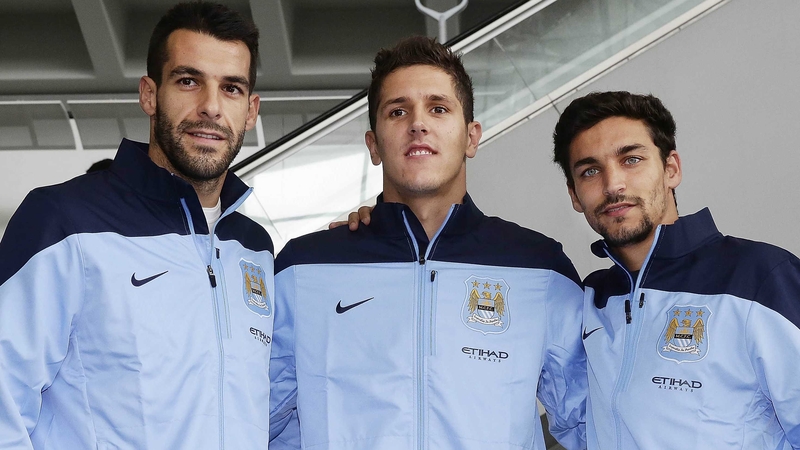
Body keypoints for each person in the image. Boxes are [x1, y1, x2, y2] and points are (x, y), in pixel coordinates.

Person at [268, 36, 587, 450]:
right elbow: (257, 419)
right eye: (397, 111)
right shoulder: (303, 268)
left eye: (438, 108)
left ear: (471, 137)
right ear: (374, 145)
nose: (418, 123)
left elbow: (590, 424)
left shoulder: (540, 268)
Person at [0, 3, 274, 448]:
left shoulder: (254, 246)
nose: (210, 107)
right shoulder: (63, 220)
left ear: (251, 110)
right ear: (149, 94)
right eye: (189, 81)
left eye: (231, 88)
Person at [552, 91, 800, 449]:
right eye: (590, 171)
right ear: (575, 195)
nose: (613, 185)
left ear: (671, 169)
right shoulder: (590, 302)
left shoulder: (762, 277)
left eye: (632, 160)